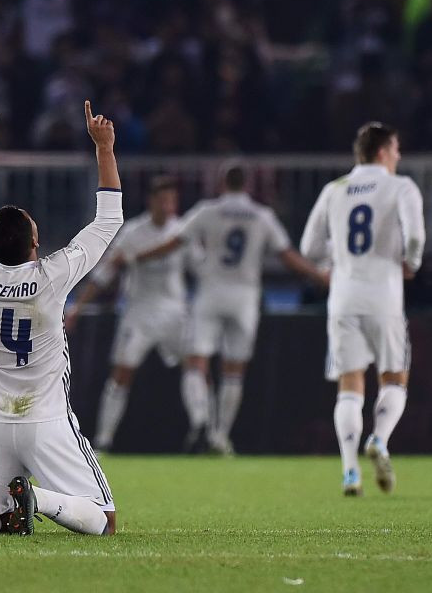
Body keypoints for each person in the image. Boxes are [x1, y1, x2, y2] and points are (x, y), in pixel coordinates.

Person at [0, 97, 122, 537]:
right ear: (34, 242)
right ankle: (39, 498)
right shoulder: (51, 276)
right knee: (104, 521)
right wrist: (104, 148)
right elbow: (109, 218)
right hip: (47, 420)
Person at [137, 164, 328, 454]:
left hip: (211, 293)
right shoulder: (261, 215)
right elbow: (286, 255)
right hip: (245, 297)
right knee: (233, 370)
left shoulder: (207, 210)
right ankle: (220, 436)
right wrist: (319, 276)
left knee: (197, 362)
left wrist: (138, 256)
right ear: (247, 185)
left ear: (222, 184)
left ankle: (200, 421)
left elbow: (173, 243)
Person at [300, 122, 424, 496]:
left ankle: (350, 472)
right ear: (384, 152)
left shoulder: (334, 189)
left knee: (349, 385)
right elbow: (415, 235)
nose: (398, 156)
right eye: (396, 149)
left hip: (343, 295)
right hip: (384, 293)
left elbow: (308, 247)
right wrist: (412, 262)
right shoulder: (400, 186)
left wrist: (333, 262)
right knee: (394, 377)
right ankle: (380, 440)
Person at [65, 175, 199, 452]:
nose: (168, 205)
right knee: (121, 375)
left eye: (171, 199)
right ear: (151, 201)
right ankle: (103, 440)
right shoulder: (133, 232)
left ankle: (203, 431)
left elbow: (202, 268)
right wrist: (77, 307)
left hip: (176, 312)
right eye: (162, 199)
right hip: (139, 313)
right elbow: (105, 273)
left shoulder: (184, 231)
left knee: (195, 367)